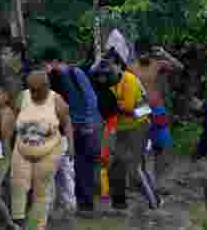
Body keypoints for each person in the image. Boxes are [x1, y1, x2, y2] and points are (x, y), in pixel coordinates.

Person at [42, 51, 102, 219]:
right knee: (74, 164)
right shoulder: (57, 78)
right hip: (72, 126)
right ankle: (79, 203)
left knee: (85, 164)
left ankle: (87, 204)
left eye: (46, 65)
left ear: (54, 61)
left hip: (85, 125)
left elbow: (90, 98)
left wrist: (89, 122)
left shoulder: (75, 73)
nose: (45, 69)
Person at [11, 71, 72, 230]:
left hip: (50, 150)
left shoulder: (56, 100)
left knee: (45, 188)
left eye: (37, 89)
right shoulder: (22, 97)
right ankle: (24, 221)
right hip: (25, 149)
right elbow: (14, 118)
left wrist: (71, 146)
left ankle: (43, 223)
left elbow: (66, 123)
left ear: (46, 87)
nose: (33, 93)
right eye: (31, 89)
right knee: (22, 186)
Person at [129, 40, 184, 192]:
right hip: (141, 110)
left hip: (158, 110)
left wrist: (164, 53)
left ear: (150, 52)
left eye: (147, 52)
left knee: (164, 145)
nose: (144, 56)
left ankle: (159, 182)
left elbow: (180, 67)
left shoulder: (157, 64)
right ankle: (140, 182)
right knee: (139, 147)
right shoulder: (131, 68)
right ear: (137, 54)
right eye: (141, 53)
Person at [108, 54, 154, 212]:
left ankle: (154, 201)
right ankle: (119, 204)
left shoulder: (129, 80)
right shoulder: (109, 80)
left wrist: (109, 104)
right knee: (116, 165)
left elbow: (127, 107)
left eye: (110, 65)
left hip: (139, 125)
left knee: (135, 169)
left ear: (118, 65)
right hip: (124, 127)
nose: (107, 69)